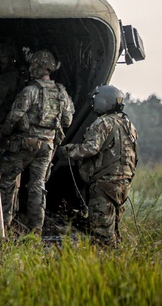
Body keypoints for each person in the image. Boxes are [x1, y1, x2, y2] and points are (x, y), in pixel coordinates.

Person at [0, 49, 73, 235]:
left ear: (36, 68)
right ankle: (36, 226)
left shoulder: (30, 91)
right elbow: (67, 121)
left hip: (25, 143)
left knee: (7, 179)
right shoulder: (62, 92)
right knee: (38, 185)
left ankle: (5, 223)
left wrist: (2, 133)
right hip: (48, 145)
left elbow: (15, 116)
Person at [55, 84, 138, 246]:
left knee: (101, 234)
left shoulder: (103, 123)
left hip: (104, 185)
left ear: (104, 101)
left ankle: (102, 264)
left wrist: (66, 151)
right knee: (113, 229)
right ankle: (117, 258)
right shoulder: (128, 124)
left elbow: (90, 149)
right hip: (123, 184)